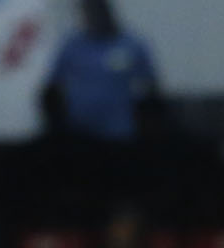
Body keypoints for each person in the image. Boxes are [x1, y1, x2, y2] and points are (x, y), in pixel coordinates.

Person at [43, 0, 159, 142]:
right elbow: (54, 85)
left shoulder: (131, 45)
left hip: (120, 132)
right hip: (79, 132)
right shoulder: (72, 46)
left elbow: (149, 85)